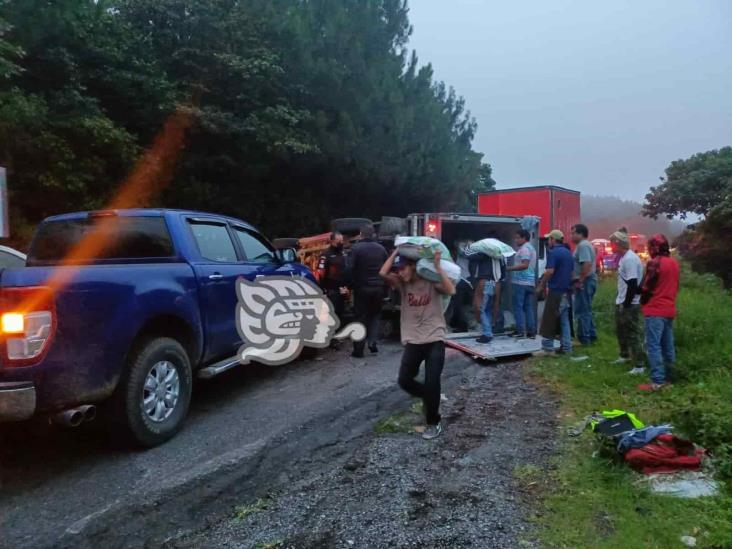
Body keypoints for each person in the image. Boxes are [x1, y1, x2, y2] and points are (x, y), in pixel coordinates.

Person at [379, 249, 456, 440]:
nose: (399, 272)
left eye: (403, 268)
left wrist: (437, 267)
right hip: (413, 339)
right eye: (398, 269)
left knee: (433, 381)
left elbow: (451, 290)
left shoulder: (430, 280)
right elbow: (382, 273)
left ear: (413, 267)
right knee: (404, 380)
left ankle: (433, 421)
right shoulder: (402, 285)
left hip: (435, 337)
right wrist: (396, 251)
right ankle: (429, 397)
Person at [638, 234, 680, 392]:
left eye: (650, 247)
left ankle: (657, 381)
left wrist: (641, 297)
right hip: (669, 308)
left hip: (655, 309)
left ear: (654, 248)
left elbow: (647, 288)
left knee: (653, 346)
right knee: (668, 345)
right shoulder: (674, 263)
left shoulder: (654, 263)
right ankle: (669, 377)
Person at [348, 224, 388, 358]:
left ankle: (358, 350)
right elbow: (386, 268)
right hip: (378, 288)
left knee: (360, 317)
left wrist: (350, 284)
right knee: (375, 316)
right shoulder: (381, 249)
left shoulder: (356, 248)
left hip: (362, 288)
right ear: (373, 234)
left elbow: (349, 268)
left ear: (361, 234)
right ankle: (372, 343)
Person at [609, 228, 645, 374]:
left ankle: (639, 365)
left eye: (613, 243)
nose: (611, 245)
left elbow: (632, 283)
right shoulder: (624, 257)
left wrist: (626, 304)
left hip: (630, 302)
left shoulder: (629, 259)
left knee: (632, 333)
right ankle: (624, 355)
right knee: (621, 330)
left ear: (619, 244)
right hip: (622, 300)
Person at [536, 229, 573, 354]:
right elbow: (571, 272)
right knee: (564, 321)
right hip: (566, 291)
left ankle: (547, 348)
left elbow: (550, 271)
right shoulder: (568, 253)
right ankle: (567, 348)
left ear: (553, 239)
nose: (548, 242)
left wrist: (541, 285)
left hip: (556, 291)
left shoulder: (554, 253)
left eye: (549, 239)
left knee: (549, 320)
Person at [469, 252, 506, 344]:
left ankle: (487, 334)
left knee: (481, 309)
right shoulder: (501, 257)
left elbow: (470, 257)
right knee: (488, 309)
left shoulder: (483, 254)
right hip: (496, 283)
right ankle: (488, 330)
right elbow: (503, 273)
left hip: (485, 282)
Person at [571, 224, 598, 345]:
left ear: (581, 234)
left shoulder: (583, 246)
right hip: (587, 280)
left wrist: (580, 280)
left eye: (573, 233)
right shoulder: (585, 245)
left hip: (586, 281)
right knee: (586, 308)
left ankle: (584, 337)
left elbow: (586, 263)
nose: (572, 236)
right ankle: (591, 334)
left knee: (582, 309)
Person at [507, 229, 537, 338]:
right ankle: (531, 332)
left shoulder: (524, 249)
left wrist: (509, 268)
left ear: (524, 238)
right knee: (528, 307)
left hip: (520, 282)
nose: (515, 240)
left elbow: (525, 265)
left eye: (517, 237)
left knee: (518, 307)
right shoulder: (531, 248)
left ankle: (520, 331)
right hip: (529, 282)